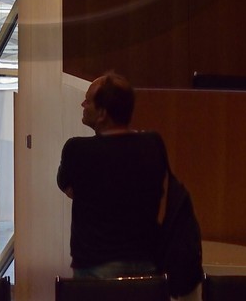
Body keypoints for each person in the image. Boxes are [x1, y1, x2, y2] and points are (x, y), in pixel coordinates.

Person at [57, 71, 168, 279]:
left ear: (103, 114)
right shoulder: (153, 144)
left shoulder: (77, 150)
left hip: (96, 266)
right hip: (148, 264)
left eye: (88, 101)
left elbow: (69, 189)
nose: (82, 104)